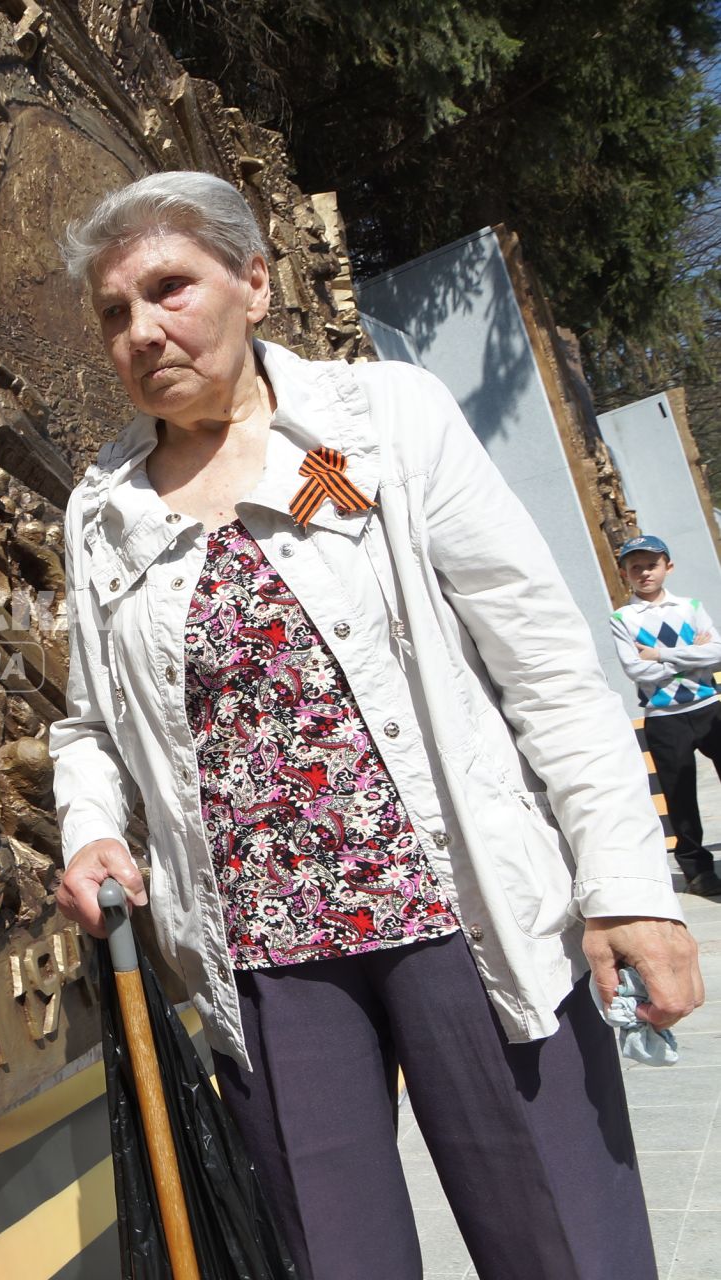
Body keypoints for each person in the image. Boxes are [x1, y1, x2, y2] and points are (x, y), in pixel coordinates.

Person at [49, 170, 702, 1280]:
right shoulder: (103, 506)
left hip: (461, 915)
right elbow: (88, 727)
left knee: (564, 1244)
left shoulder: (380, 420)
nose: (141, 329)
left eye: (169, 288)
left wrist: (628, 888)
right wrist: (88, 830)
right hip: (266, 959)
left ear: (252, 282)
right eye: (113, 312)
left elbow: (541, 660)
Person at [612, 533, 721, 896]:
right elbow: (634, 671)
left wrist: (660, 656)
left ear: (667, 567)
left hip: (709, 706)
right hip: (663, 716)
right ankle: (697, 871)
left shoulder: (690, 606)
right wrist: (691, 654)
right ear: (625, 573)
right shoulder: (622, 618)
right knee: (679, 796)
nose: (645, 573)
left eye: (652, 565)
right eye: (636, 567)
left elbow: (717, 654)